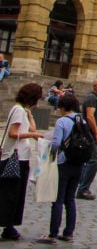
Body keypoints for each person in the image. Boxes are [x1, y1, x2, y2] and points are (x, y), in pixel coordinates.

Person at [38, 92, 87, 244]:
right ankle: (68, 232)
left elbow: (56, 143)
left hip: (63, 163)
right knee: (70, 199)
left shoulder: (62, 121)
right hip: (78, 163)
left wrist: (50, 159)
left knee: (57, 199)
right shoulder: (82, 121)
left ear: (63, 107)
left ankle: (52, 233)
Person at [0, 82, 45, 240]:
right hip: (15, 157)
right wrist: (32, 136)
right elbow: (14, 133)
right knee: (10, 194)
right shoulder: (18, 110)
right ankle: (8, 226)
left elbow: (32, 128)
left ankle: (9, 225)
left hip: (21, 157)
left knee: (15, 194)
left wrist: (30, 113)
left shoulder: (21, 110)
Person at [76, 77, 97, 200]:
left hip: (92, 133)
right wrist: (96, 133)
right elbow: (90, 116)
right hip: (90, 134)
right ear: (95, 86)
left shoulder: (96, 98)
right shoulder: (91, 98)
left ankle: (82, 186)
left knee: (88, 160)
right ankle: (83, 188)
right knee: (94, 160)